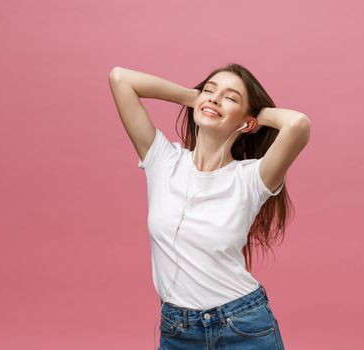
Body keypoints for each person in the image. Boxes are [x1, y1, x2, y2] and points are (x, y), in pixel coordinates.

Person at [108, 63, 311, 350]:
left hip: (242, 324)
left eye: (230, 97)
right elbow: (120, 78)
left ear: (246, 124)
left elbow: (298, 124)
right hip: (178, 329)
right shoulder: (163, 161)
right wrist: (194, 98)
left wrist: (253, 115)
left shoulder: (251, 178)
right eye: (210, 90)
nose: (214, 98)